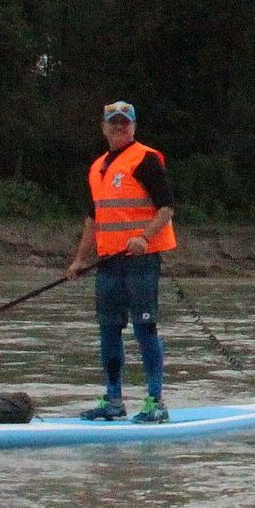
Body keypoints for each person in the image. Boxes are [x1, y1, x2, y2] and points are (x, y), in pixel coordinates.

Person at [67, 100, 176, 422]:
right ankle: (113, 401)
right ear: (103, 127)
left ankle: (155, 403)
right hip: (108, 263)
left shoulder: (145, 159)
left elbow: (167, 207)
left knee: (145, 328)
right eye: (113, 121)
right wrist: (78, 261)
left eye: (124, 122)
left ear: (133, 126)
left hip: (141, 261)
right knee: (108, 330)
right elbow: (93, 220)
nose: (118, 126)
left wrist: (144, 237)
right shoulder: (98, 167)